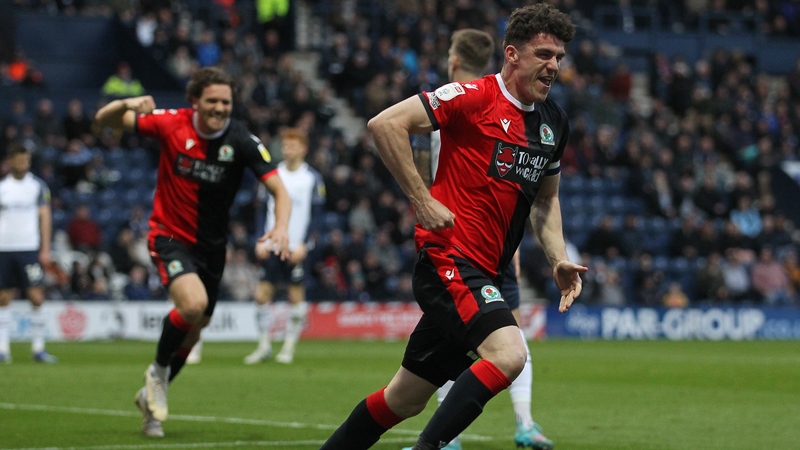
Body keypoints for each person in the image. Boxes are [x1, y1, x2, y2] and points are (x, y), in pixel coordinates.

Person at [321, 5, 586, 449]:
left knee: (403, 399)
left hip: (486, 271)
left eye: (559, 56)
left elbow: (547, 200)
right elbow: (385, 124)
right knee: (509, 354)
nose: (554, 66)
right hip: (450, 259)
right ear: (512, 54)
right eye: (544, 54)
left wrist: (558, 258)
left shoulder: (553, 123)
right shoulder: (472, 96)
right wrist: (421, 200)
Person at [94, 67, 291, 438]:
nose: (219, 108)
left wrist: (280, 227)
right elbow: (102, 121)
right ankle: (157, 373)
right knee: (192, 305)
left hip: (212, 248)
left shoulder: (242, 140)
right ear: (195, 101)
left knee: (193, 332)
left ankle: (150, 401)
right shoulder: (171, 124)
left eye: (226, 102)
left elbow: (280, 191)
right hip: (169, 234)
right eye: (212, 101)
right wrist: (126, 103)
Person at [407, 28, 554, 450]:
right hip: (492, 244)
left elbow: (420, 169)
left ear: (454, 60)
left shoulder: (448, 104)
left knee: (460, 337)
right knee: (510, 335)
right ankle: (523, 422)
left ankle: (445, 439)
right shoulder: (494, 102)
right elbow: (515, 187)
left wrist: (422, 206)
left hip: (449, 239)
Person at [244, 127, 325, 364]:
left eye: (292, 145)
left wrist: (306, 245)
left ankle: (289, 347)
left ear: (303, 149)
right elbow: (260, 211)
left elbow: (317, 218)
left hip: (296, 247)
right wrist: (260, 239)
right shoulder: (271, 175)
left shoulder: (312, 179)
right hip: (272, 245)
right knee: (261, 295)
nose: (287, 149)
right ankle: (264, 345)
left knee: (295, 295)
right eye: (285, 145)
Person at [0, 143, 57, 364]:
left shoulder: (37, 187)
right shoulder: (2, 187)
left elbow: (45, 218)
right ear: (10, 161)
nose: (22, 164)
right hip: (4, 248)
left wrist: (45, 248)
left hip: (29, 249)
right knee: (3, 298)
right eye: (18, 160)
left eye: (26, 161)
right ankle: (3, 350)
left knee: (36, 296)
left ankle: (38, 348)